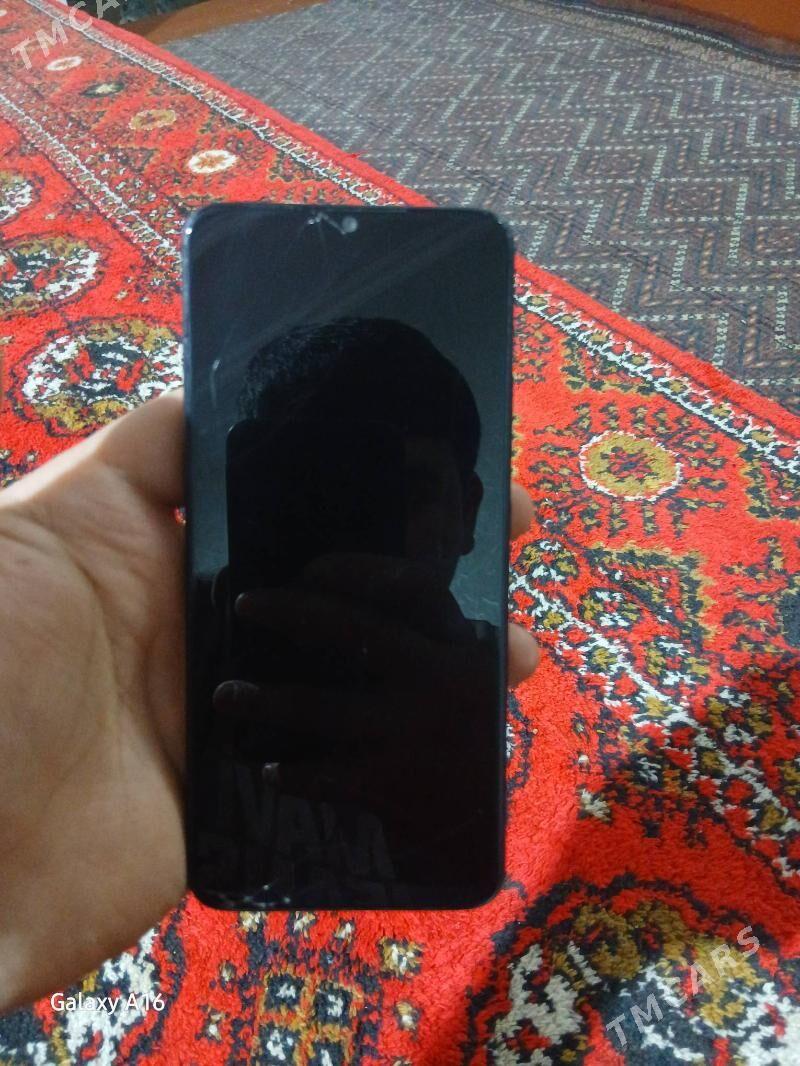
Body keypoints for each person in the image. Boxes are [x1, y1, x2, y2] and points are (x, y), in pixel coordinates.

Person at [0, 388, 540, 1014]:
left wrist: (445, 794)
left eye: (401, 492)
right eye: (308, 493)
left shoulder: (465, 680)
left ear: (468, 511)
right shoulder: (157, 644)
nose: (347, 526)